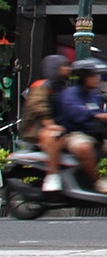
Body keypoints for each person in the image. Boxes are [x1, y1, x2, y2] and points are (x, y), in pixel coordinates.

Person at [57, 60, 107, 194]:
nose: (96, 79)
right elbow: (75, 112)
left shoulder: (93, 96)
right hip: (74, 135)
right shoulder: (70, 94)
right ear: (83, 77)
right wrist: (95, 115)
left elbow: (102, 113)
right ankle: (97, 183)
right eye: (92, 76)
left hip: (94, 136)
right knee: (84, 147)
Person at [19, 55, 71, 192]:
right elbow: (40, 107)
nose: (67, 69)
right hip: (38, 129)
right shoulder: (41, 86)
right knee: (54, 137)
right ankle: (52, 176)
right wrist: (51, 125)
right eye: (63, 66)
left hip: (61, 127)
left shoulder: (63, 87)